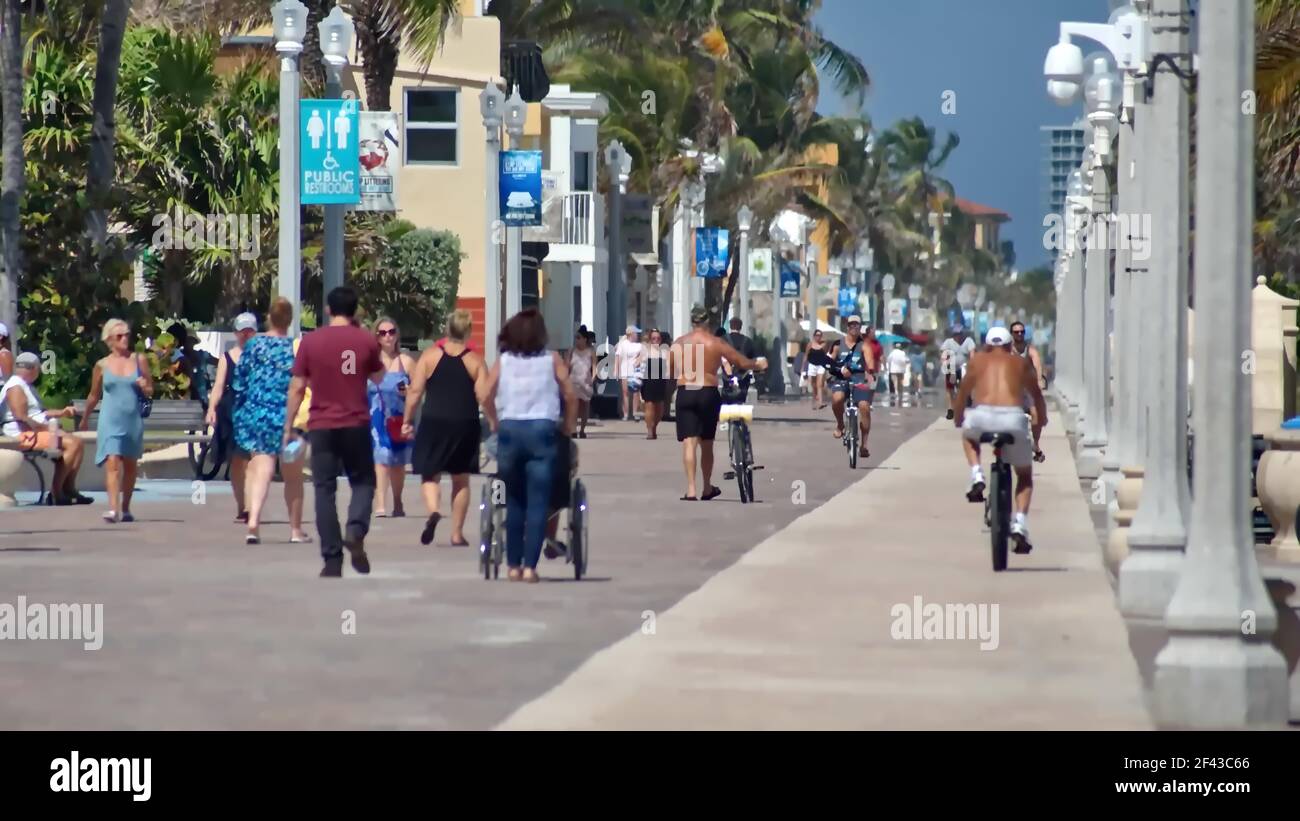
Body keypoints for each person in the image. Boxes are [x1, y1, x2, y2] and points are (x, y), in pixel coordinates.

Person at [285, 286, 385, 578]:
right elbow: (379, 377)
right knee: (363, 481)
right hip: (356, 422)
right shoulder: (366, 340)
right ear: (354, 311)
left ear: (328, 310)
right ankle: (355, 529)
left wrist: (288, 427)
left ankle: (332, 560)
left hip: (322, 424)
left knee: (324, 489)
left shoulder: (311, 342)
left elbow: (297, 387)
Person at [481, 308, 577, 583]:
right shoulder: (552, 359)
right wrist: (568, 426)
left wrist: (494, 420)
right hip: (542, 431)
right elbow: (570, 394)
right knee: (538, 502)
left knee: (514, 500)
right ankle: (529, 567)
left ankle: (512, 565)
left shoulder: (505, 361)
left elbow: (484, 393)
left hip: (511, 430)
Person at [955, 326, 1048, 554]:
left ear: (987, 345)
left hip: (981, 415)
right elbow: (1036, 395)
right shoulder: (1020, 363)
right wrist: (1041, 420)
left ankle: (977, 473)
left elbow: (963, 393)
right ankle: (1019, 523)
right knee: (1024, 476)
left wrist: (959, 418)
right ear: (1009, 346)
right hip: (1012, 418)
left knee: (968, 436)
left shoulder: (977, 361)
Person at [404, 310, 490, 548]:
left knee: (429, 473)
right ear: (468, 331)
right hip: (465, 422)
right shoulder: (475, 360)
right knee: (460, 479)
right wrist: (493, 419)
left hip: (434, 421)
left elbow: (414, 392)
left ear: (447, 329)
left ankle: (433, 511)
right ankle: (456, 534)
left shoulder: (430, 356)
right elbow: (483, 395)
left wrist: (407, 420)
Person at [667, 305, 767, 501]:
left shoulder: (679, 343)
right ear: (706, 322)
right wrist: (758, 364)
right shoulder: (715, 343)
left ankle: (691, 489)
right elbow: (741, 362)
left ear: (691, 321)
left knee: (689, 442)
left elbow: (669, 371)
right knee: (706, 443)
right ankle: (706, 487)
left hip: (686, 391)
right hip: (707, 391)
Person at [232, 298, 305, 545]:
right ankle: (295, 531)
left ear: (269, 318)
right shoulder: (296, 348)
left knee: (262, 469)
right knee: (293, 476)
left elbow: (239, 380)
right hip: (289, 418)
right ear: (290, 319)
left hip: (258, 416)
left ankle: (253, 522)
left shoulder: (254, 345)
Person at [81, 319, 151, 523]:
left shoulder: (139, 360)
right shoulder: (101, 365)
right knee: (112, 462)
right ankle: (113, 509)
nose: (124, 339)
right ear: (109, 340)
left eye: (127, 334)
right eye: (119, 336)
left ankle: (126, 507)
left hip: (132, 419)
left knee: (130, 465)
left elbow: (150, 390)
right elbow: (94, 395)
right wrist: (85, 417)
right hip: (110, 420)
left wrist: (144, 385)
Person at [2, 351, 90, 505]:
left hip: (32, 432)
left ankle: (68, 488)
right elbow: (22, 418)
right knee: (72, 443)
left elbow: (39, 413)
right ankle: (56, 492)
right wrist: (49, 429)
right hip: (22, 435)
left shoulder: (26, 386)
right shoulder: (15, 387)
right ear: (32, 368)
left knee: (78, 442)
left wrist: (62, 412)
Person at [205, 312, 258, 523]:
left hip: (255, 411)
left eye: (249, 331)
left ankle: (253, 506)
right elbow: (218, 386)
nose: (245, 335)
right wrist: (211, 408)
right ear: (236, 333)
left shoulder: (261, 357)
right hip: (231, 412)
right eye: (242, 331)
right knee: (237, 462)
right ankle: (242, 506)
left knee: (254, 460)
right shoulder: (227, 357)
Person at [368, 317, 416, 518]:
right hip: (376, 417)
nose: (388, 336)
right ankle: (380, 503)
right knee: (380, 459)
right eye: (382, 333)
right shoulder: (370, 362)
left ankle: (397, 501)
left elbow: (419, 389)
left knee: (397, 462)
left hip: (399, 418)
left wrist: (410, 391)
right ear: (376, 337)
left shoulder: (406, 362)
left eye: (391, 332)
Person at [827, 315, 877, 459]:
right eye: (851, 325)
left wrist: (870, 372)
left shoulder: (864, 345)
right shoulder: (837, 344)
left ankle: (864, 445)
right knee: (837, 398)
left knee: (864, 407)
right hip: (841, 378)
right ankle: (840, 425)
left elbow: (869, 361)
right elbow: (829, 361)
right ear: (847, 327)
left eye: (857, 325)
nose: (854, 327)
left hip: (858, 378)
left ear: (860, 327)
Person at [1010, 320, 1048, 463]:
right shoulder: (1007, 350)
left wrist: (1039, 380)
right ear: (1011, 334)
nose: (1019, 334)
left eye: (1021, 332)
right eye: (1016, 332)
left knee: (1036, 415)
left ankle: (1036, 444)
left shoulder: (1030, 349)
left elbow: (1037, 363)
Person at [940, 323, 977, 421]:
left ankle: (965, 403)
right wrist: (944, 362)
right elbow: (943, 354)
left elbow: (972, 354)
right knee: (950, 389)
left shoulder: (968, 341)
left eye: (960, 334)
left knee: (963, 386)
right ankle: (950, 409)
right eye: (956, 334)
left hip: (963, 367)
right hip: (951, 367)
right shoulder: (948, 342)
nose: (958, 336)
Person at [639, 328, 671, 439]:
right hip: (648, 381)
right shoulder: (645, 350)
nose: (656, 340)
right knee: (649, 406)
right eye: (653, 338)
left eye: (658, 338)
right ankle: (649, 430)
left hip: (661, 381)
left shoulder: (665, 351)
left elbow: (669, 366)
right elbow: (636, 363)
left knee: (660, 409)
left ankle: (654, 427)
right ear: (650, 339)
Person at [567, 326, 595, 439]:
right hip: (573, 381)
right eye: (576, 338)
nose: (577, 340)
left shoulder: (590, 352)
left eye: (579, 337)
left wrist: (592, 379)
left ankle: (582, 429)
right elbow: (566, 365)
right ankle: (573, 430)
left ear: (584, 339)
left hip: (585, 381)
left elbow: (594, 367)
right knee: (574, 407)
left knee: (584, 407)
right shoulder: (571, 351)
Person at [613, 325, 643, 421]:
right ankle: (626, 413)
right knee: (625, 392)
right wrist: (616, 370)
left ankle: (635, 412)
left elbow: (642, 355)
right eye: (636, 333)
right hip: (625, 370)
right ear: (631, 334)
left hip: (636, 372)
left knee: (635, 393)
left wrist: (639, 360)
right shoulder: (622, 344)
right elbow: (618, 357)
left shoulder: (639, 345)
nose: (637, 335)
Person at [805, 330, 830, 410]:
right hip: (812, 365)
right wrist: (803, 367)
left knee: (819, 384)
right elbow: (806, 355)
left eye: (820, 335)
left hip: (820, 365)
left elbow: (826, 352)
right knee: (813, 384)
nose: (818, 337)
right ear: (814, 336)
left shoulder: (824, 344)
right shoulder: (810, 344)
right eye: (816, 335)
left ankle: (820, 402)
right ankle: (814, 399)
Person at [886, 342, 910, 407]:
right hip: (901, 370)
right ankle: (900, 394)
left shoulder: (892, 353)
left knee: (895, 382)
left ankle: (896, 393)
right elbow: (905, 360)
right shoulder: (903, 353)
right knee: (900, 383)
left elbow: (888, 360)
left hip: (893, 370)